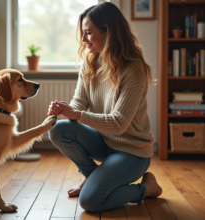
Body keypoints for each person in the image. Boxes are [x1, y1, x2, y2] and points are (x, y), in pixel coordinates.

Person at [47, 2, 162, 213]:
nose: (83, 40)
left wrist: (76, 114)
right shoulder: (89, 63)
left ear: (108, 31)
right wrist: (64, 110)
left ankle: (147, 188)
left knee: (91, 201)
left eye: (88, 33)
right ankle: (92, 175)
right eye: (83, 33)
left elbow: (118, 124)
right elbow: (79, 103)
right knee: (57, 130)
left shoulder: (133, 69)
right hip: (105, 142)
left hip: (132, 151)